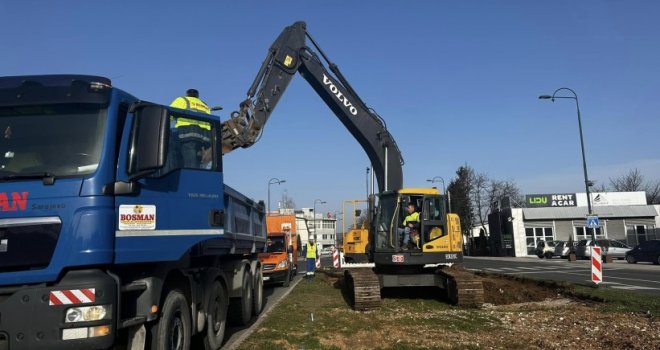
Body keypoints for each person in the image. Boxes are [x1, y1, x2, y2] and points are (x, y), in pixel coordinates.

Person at [169, 89, 213, 168]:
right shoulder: (205, 105)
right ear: (197, 96)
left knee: (189, 163)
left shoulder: (182, 100)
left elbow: (169, 114)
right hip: (204, 137)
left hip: (188, 134)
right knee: (199, 162)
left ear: (187, 95)